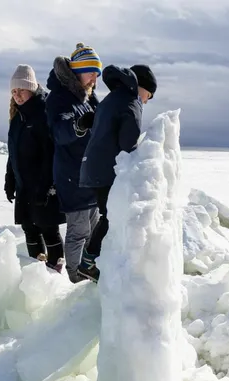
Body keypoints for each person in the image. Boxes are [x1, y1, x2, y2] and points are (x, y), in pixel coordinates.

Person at [76, 64, 157, 282]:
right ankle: (89, 262)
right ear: (142, 88)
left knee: (109, 214)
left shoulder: (113, 99)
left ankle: (95, 259)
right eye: (149, 95)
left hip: (92, 166)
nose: (147, 101)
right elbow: (127, 143)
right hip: (105, 169)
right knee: (112, 216)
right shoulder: (131, 102)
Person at [45, 43, 102, 282]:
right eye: (91, 71)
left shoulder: (88, 97)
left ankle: (89, 270)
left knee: (93, 230)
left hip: (90, 177)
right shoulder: (59, 98)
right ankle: (74, 278)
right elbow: (59, 132)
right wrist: (78, 126)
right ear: (77, 70)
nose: (94, 77)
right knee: (79, 233)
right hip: (72, 176)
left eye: (96, 73)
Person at [5, 64, 64, 270]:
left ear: (31, 88)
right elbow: (13, 150)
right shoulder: (18, 117)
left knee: (48, 228)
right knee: (29, 228)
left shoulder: (43, 113)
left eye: (21, 90)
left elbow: (50, 154)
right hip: (24, 185)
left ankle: (55, 270)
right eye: (14, 91)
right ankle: (36, 269)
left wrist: (45, 187)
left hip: (42, 185)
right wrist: (9, 180)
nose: (17, 95)